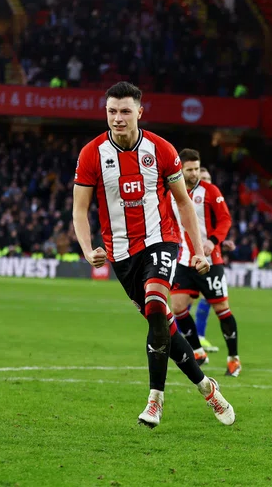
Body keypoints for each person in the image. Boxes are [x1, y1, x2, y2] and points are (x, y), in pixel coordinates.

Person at [72, 82, 234, 428]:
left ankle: (155, 400)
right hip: (120, 253)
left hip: (161, 240)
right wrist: (87, 250)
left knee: (158, 306)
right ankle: (207, 387)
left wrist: (199, 247)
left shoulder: (161, 149)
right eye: (112, 111)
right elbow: (79, 208)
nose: (118, 118)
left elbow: (183, 202)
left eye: (125, 111)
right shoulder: (91, 154)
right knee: (163, 325)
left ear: (139, 112)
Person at [170, 149, 241, 377]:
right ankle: (198, 352)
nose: (193, 173)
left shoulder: (210, 191)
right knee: (178, 308)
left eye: (196, 169)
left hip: (210, 261)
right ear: (180, 169)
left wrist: (212, 241)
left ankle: (233, 359)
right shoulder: (171, 192)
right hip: (183, 261)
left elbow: (225, 219)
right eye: (189, 169)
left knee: (222, 310)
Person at [194, 166, 220, 354]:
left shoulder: (213, 202)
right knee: (184, 299)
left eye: (209, 178)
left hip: (210, 253)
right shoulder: (190, 201)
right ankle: (185, 336)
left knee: (208, 296)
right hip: (188, 253)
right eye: (204, 178)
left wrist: (222, 241)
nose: (207, 182)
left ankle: (199, 337)